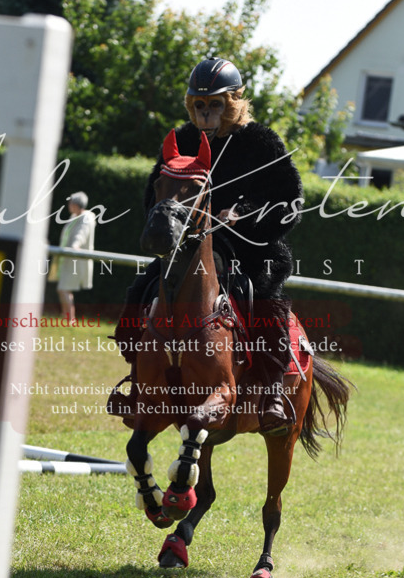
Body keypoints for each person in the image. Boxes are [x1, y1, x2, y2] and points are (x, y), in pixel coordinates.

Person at [115, 56, 303, 431]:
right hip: (187, 249)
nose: (205, 113)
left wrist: (242, 214)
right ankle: (138, 386)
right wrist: (169, 221)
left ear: (234, 101)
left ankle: (272, 395)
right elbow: (155, 193)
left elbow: (290, 203)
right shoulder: (182, 140)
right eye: (198, 105)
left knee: (265, 305)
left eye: (215, 104)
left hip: (250, 250)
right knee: (141, 290)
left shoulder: (262, 143)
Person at [56, 192, 96, 324]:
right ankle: (67, 316)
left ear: (76, 204)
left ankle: (69, 319)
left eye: (71, 202)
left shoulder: (86, 218)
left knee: (63, 289)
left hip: (75, 259)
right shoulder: (74, 216)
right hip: (67, 258)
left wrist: (75, 246)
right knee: (65, 289)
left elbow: (81, 234)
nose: (68, 205)